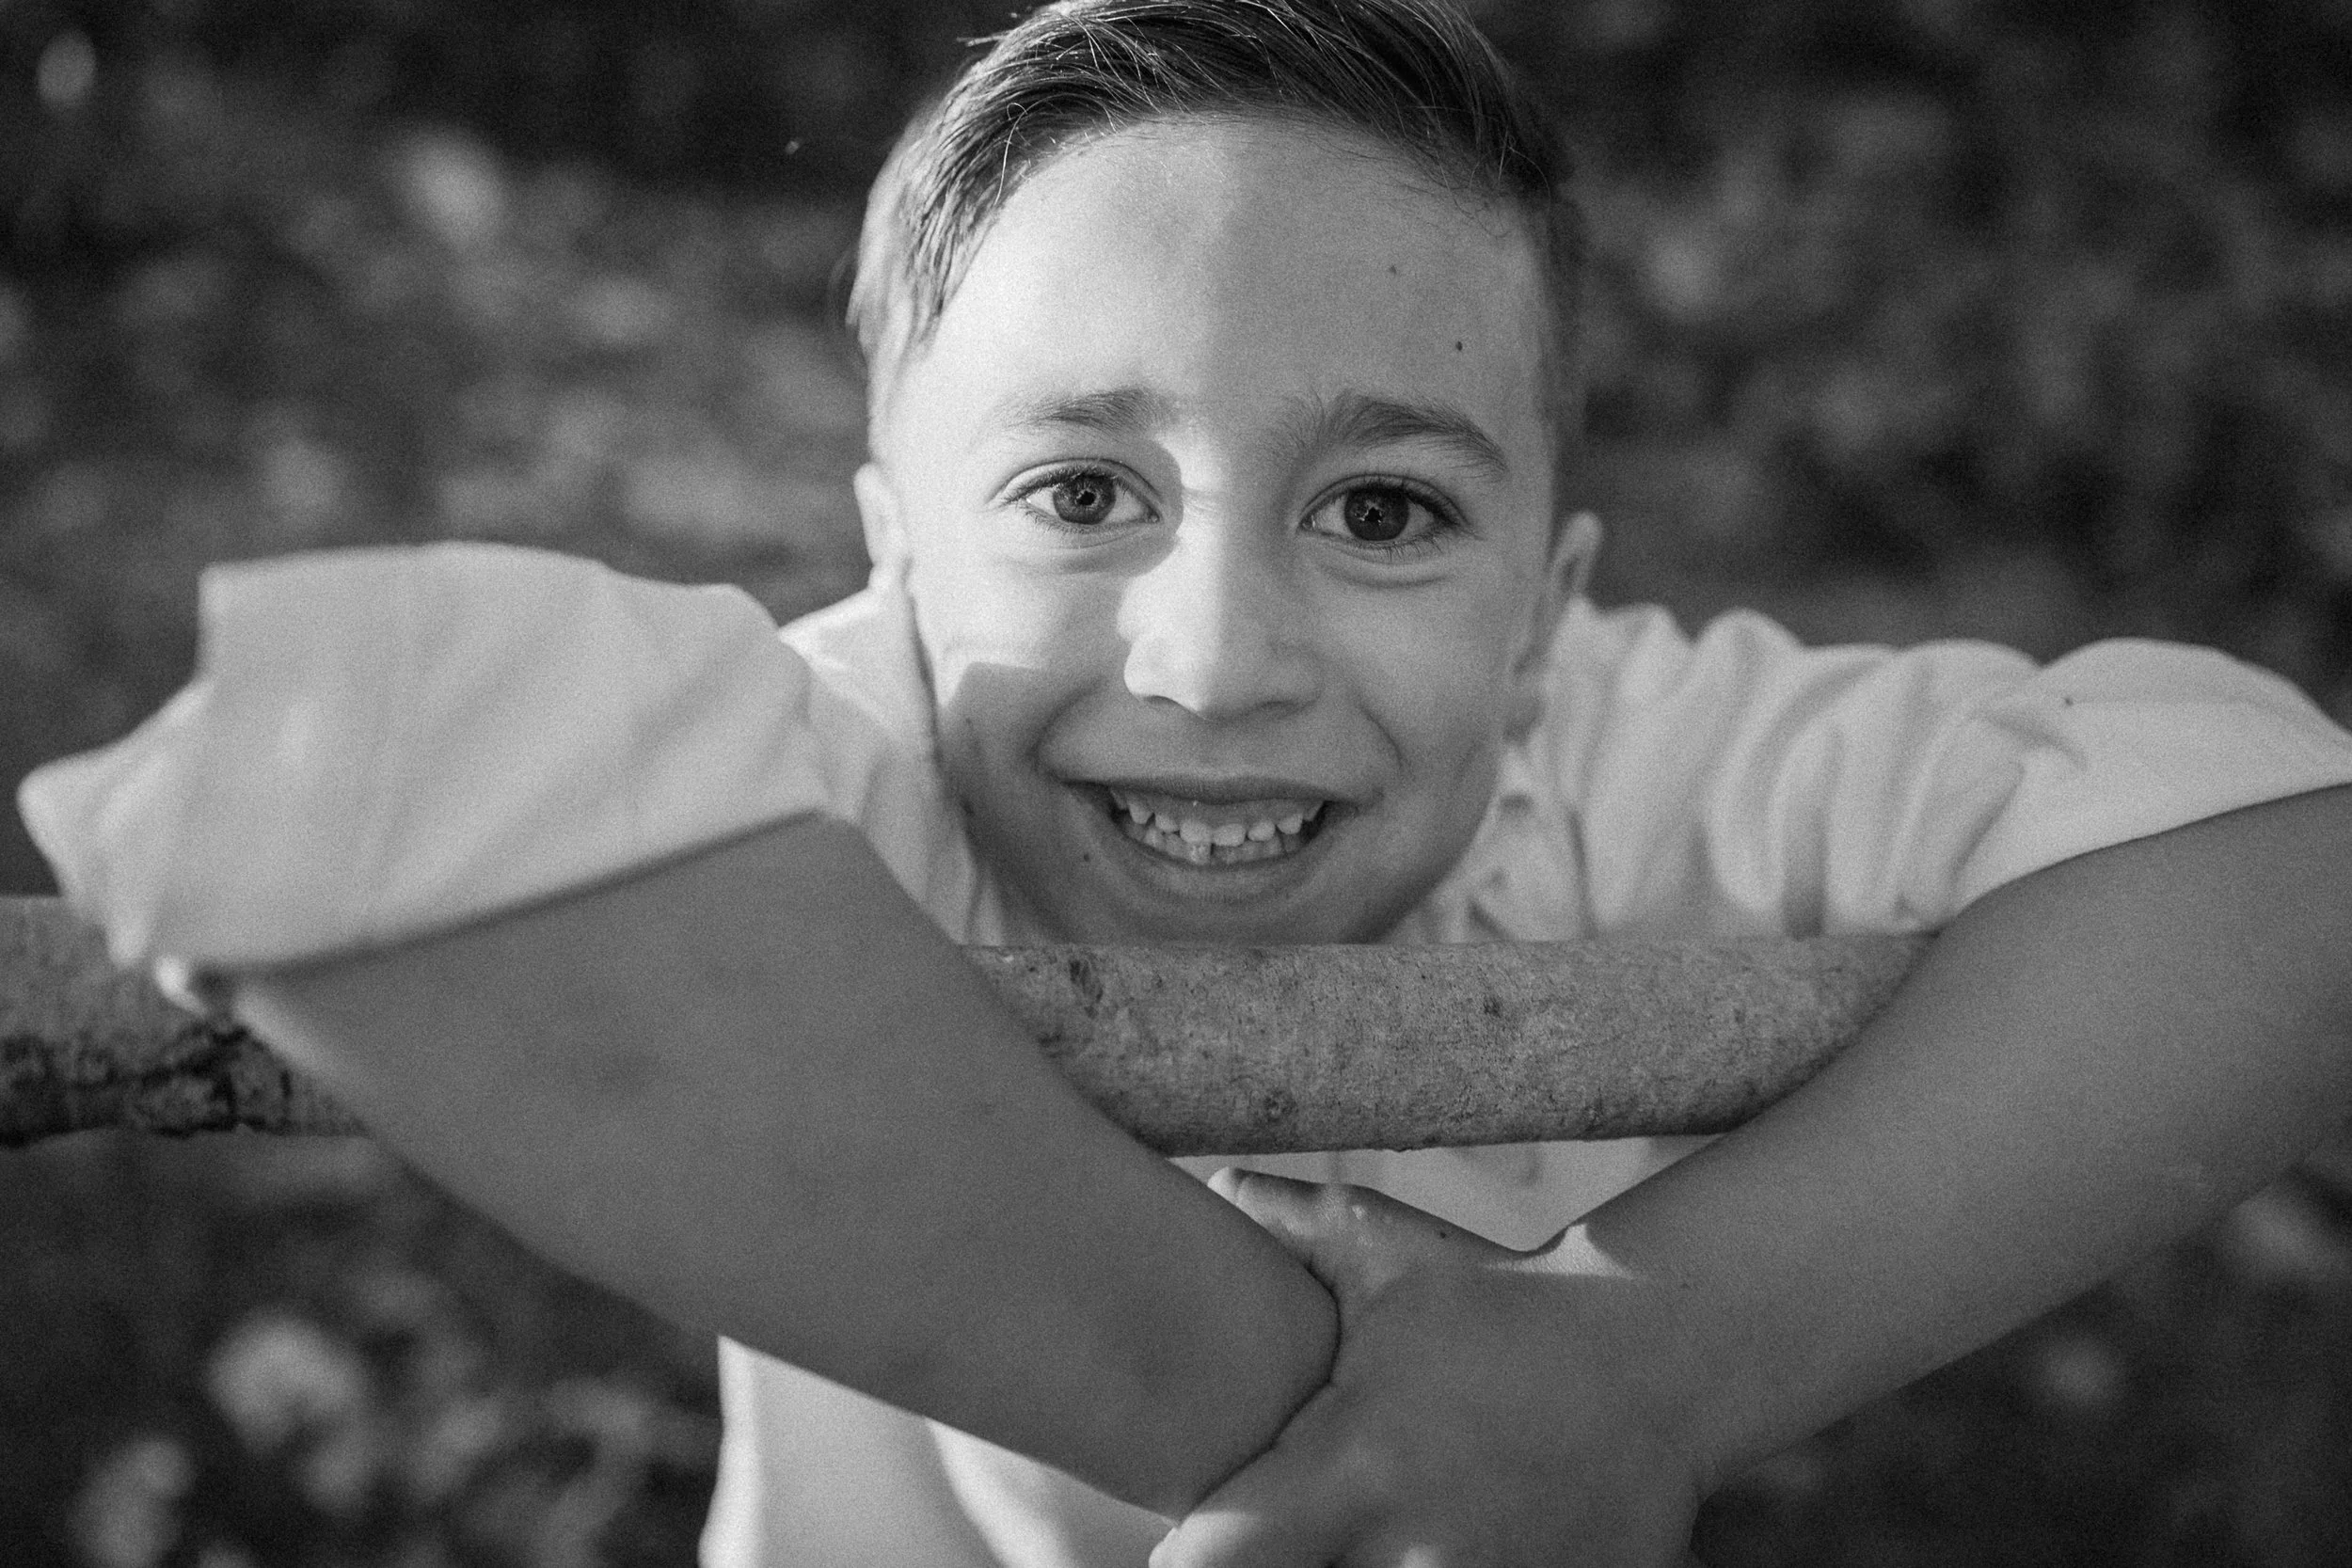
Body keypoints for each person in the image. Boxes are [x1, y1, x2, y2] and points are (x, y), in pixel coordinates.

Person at [22, 0, 2352, 1562]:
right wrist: (1297, 1417)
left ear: (1542, 607)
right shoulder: (861, 748)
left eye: (1383, 512)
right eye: (1076, 495)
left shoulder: (1616, 746)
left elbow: (2289, 856)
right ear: (888, 560)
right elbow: (326, 781)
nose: (1215, 661)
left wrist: (1653, 1354)